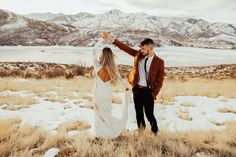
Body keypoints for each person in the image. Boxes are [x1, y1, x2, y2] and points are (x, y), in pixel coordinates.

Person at [102, 32, 165, 136]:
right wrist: (111, 39)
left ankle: (155, 131)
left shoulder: (159, 62)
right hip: (137, 89)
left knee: (149, 114)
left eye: (143, 49)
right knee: (138, 113)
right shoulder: (138, 55)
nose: (141, 50)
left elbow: (160, 80)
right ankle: (141, 131)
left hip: (149, 92)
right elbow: (125, 48)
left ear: (150, 48)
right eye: (141, 48)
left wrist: (154, 94)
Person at [92, 38, 129, 138]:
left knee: (98, 115)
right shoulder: (113, 70)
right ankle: (110, 132)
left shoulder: (97, 66)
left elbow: (93, 51)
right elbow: (122, 81)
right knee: (107, 114)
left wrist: (101, 40)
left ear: (102, 55)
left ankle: (100, 134)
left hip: (98, 94)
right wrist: (126, 89)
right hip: (107, 95)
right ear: (111, 57)